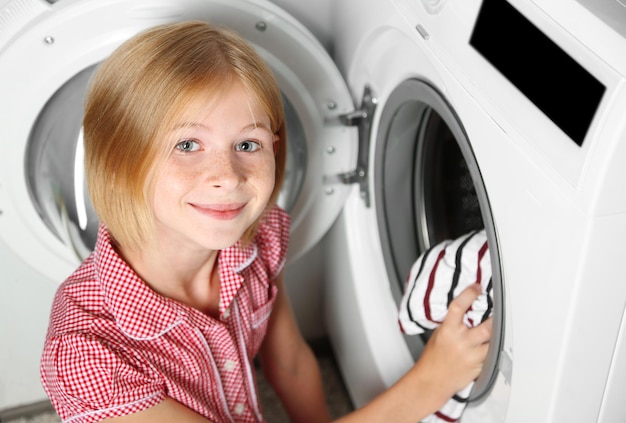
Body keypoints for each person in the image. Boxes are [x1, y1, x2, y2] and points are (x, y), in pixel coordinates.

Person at [40, 21, 492, 423]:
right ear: (119, 163)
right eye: (187, 145)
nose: (227, 176)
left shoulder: (256, 240)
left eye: (248, 144)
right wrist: (428, 384)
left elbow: (290, 361)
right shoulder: (86, 353)